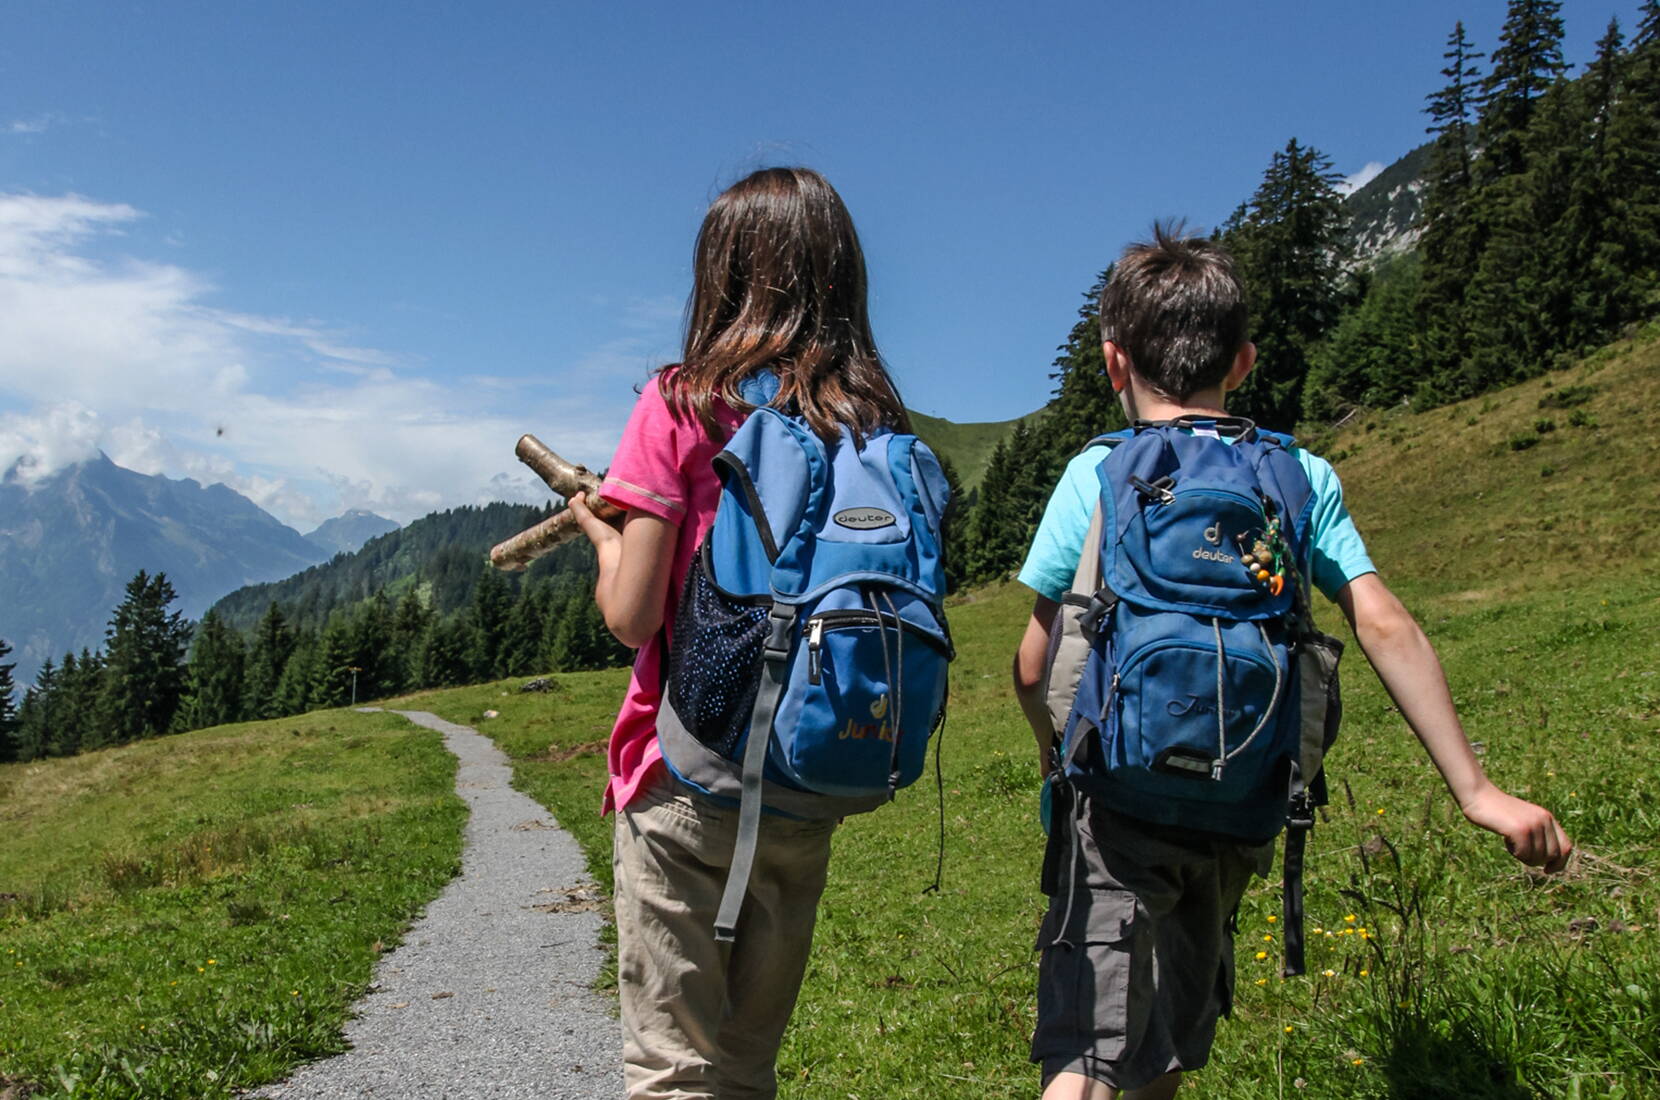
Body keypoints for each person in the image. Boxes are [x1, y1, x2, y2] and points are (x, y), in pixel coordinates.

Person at [1009, 224, 1573, 1100]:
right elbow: (1383, 623)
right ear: (1243, 362)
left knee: (1087, 1060)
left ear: (1113, 363)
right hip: (1242, 798)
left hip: (1116, 802)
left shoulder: (1100, 472)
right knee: (1165, 1051)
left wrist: (1052, 754)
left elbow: (1031, 660)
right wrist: (1477, 791)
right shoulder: (1298, 475)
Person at [567, 166, 913, 1100]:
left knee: (673, 1071)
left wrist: (605, 539)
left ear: (719, 275)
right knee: (744, 1066)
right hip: (807, 785)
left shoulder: (680, 405)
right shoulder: (865, 422)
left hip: (682, 780)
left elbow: (632, 615)